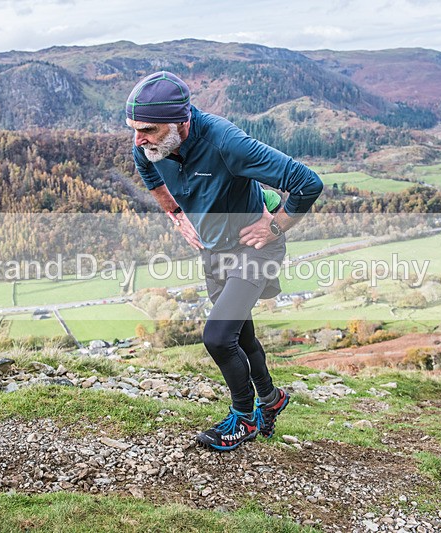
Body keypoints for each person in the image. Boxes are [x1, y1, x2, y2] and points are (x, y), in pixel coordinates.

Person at [125, 71, 323, 451]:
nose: (138, 138)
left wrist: (276, 227)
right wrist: (176, 215)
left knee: (217, 337)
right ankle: (271, 399)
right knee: (239, 334)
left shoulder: (225, 141)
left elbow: (307, 182)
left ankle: (244, 419)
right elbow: (149, 174)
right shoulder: (149, 146)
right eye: (134, 128)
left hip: (255, 247)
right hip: (213, 251)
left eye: (147, 129)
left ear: (181, 121)